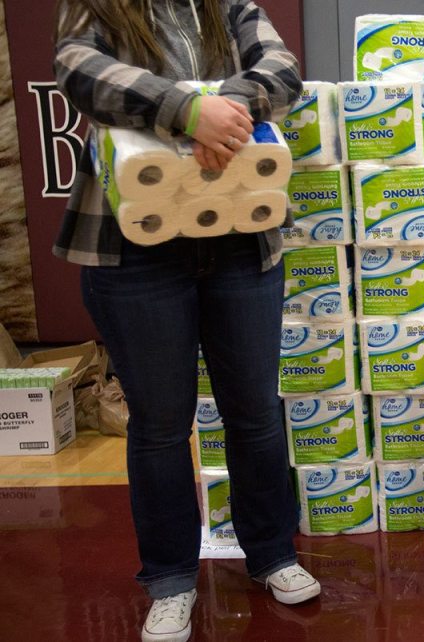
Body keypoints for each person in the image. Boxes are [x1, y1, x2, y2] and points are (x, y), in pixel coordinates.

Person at [53, 2, 318, 641]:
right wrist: (183, 108)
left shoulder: (228, 6)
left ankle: (272, 552)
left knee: (254, 408)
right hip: (134, 249)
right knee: (161, 422)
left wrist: (227, 107)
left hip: (239, 240)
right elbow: (77, 67)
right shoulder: (100, 7)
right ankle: (171, 578)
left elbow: (282, 68)